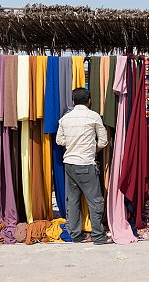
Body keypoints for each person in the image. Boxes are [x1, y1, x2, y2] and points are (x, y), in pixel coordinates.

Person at [56, 88, 111, 244]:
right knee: (95, 201)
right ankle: (98, 237)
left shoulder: (65, 119)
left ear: (73, 102)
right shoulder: (93, 117)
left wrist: (73, 145)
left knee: (72, 201)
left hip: (69, 164)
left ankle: (76, 235)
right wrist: (92, 150)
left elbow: (60, 141)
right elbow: (103, 141)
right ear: (89, 100)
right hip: (86, 163)